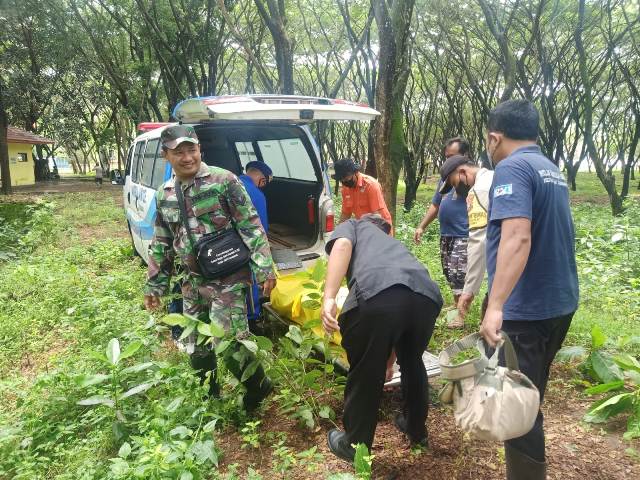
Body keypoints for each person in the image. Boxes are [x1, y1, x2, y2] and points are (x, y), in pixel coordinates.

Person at [143, 125, 276, 410]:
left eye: (191, 149)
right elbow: (162, 242)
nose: (187, 157)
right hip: (192, 282)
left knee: (228, 342)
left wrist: (264, 267)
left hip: (228, 278)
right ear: (166, 155)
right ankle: (210, 398)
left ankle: (257, 387)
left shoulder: (224, 180)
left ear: (199, 149)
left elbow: (250, 225)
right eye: (179, 152)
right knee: (197, 346)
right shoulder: (164, 194)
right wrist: (155, 284)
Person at [479, 100, 579, 479]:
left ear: (494, 137)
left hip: (527, 309)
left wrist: (496, 305)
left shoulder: (512, 168)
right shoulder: (549, 168)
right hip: (559, 303)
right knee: (529, 396)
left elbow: (518, 237)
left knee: (517, 410)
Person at [321, 214, 443, 462]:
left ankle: (354, 445)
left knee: (366, 369)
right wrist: (389, 363)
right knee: (412, 361)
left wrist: (329, 298)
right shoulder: (392, 245)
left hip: (379, 293)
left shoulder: (354, 225)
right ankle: (415, 429)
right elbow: (400, 305)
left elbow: (342, 246)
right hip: (426, 296)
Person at [414, 137, 470, 327]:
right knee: (448, 271)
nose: (448, 160)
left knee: (458, 273)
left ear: (465, 156)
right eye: (446, 157)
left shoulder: (470, 178)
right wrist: (422, 226)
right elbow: (435, 205)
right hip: (447, 233)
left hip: (464, 234)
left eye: (452, 156)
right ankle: (457, 305)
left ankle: (461, 316)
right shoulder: (446, 176)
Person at [436, 154, 494, 327]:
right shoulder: (494, 176)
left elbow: (478, 242)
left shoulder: (479, 190)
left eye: (455, 183)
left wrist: (468, 293)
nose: (458, 188)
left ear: (462, 172)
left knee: (492, 325)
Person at [239, 160, 273, 322]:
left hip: (224, 248)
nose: (263, 186)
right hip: (245, 246)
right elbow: (261, 229)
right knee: (250, 279)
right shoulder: (256, 194)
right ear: (259, 175)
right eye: (264, 182)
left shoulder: (230, 182)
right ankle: (253, 317)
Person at [333, 158, 393, 228]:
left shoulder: (371, 185)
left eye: (346, 178)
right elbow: (345, 214)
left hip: (381, 227)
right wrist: (339, 231)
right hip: (364, 227)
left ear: (355, 173)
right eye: (341, 179)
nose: (343, 181)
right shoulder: (345, 189)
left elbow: (377, 216)